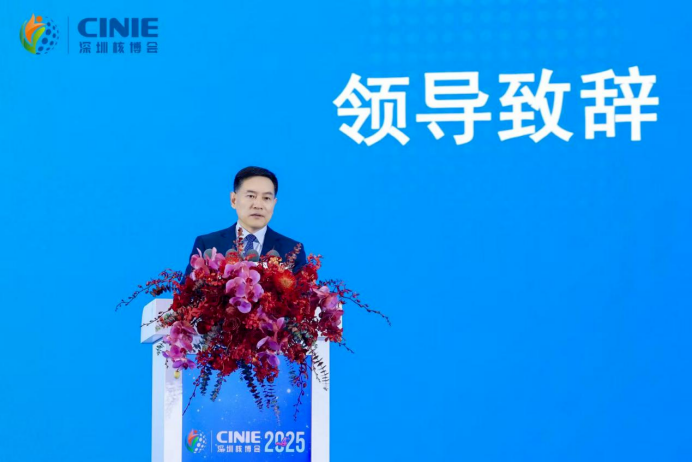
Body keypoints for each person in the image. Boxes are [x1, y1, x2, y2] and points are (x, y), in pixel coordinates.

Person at [184, 166, 307, 276]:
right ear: (233, 200)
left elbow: (302, 293)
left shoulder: (292, 250)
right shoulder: (208, 245)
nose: (258, 205)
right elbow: (188, 291)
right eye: (251, 196)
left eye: (266, 198)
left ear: (274, 204)